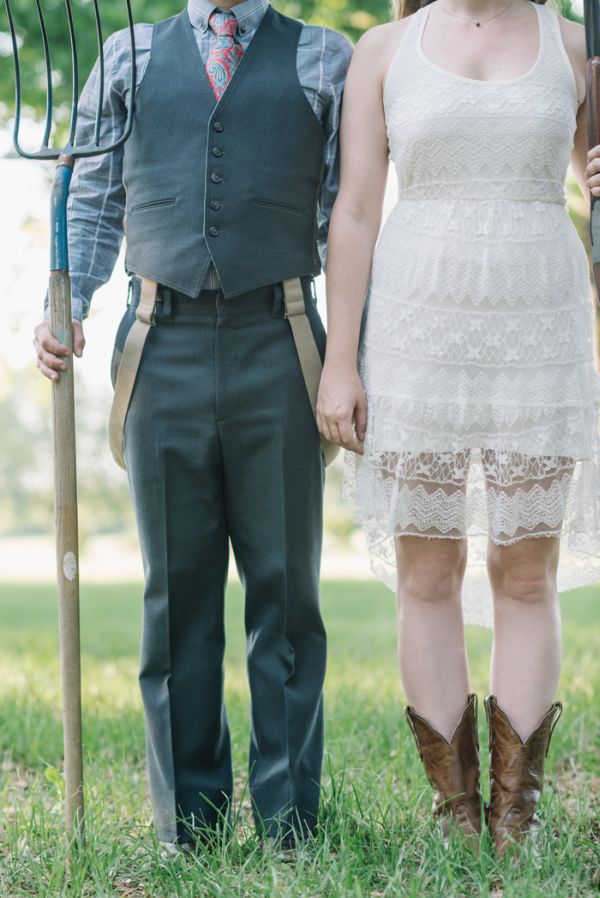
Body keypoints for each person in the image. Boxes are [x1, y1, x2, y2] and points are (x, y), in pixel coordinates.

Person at [33, 0, 352, 853]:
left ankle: (289, 827)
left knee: (286, 596)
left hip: (281, 340)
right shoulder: (128, 58)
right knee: (176, 598)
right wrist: (66, 305)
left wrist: (357, 354)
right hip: (159, 341)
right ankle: (191, 830)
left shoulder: (327, 60)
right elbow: (91, 199)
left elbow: (348, 217)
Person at [318, 0, 600, 855]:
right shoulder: (384, 51)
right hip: (417, 330)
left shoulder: (577, 44)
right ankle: (456, 814)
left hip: (540, 327)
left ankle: (516, 817)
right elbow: (355, 210)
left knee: (526, 571)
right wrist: (340, 360)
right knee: (429, 572)